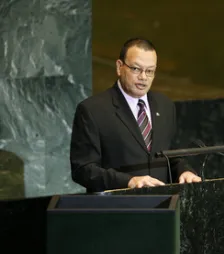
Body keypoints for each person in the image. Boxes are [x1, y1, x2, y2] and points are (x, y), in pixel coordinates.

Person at [70, 38, 201, 192]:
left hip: (162, 208)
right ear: (119, 67)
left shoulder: (165, 105)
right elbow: (83, 169)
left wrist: (184, 171)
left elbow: (170, 155)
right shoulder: (92, 110)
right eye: (136, 69)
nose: (143, 77)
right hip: (119, 209)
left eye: (150, 71)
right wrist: (129, 181)